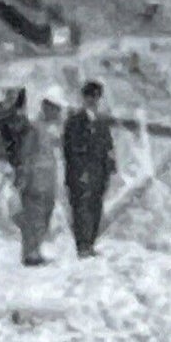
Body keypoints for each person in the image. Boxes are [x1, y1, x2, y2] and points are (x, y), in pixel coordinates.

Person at [62, 79, 116, 258]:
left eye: (96, 97)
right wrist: (79, 172)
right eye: (89, 97)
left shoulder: (101, 122)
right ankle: (82, 245)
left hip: (99, 173)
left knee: (95, 207)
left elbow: (108, 146)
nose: (93, 100)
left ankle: (90, 243)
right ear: (84, 98)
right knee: (81, 208)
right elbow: (70, 149)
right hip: (80, 173)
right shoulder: (75, 121)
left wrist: (110, 168)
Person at [14, 89, 65, 266]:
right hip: (35, 181)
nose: (58, 113)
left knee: (44, 216)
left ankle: (36, 249)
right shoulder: (34, 127)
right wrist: (24, 177)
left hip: (48, 182)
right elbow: (26, 153)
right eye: (55, 109)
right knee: (33, 217)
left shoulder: (53, 130)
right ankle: (30, 253)